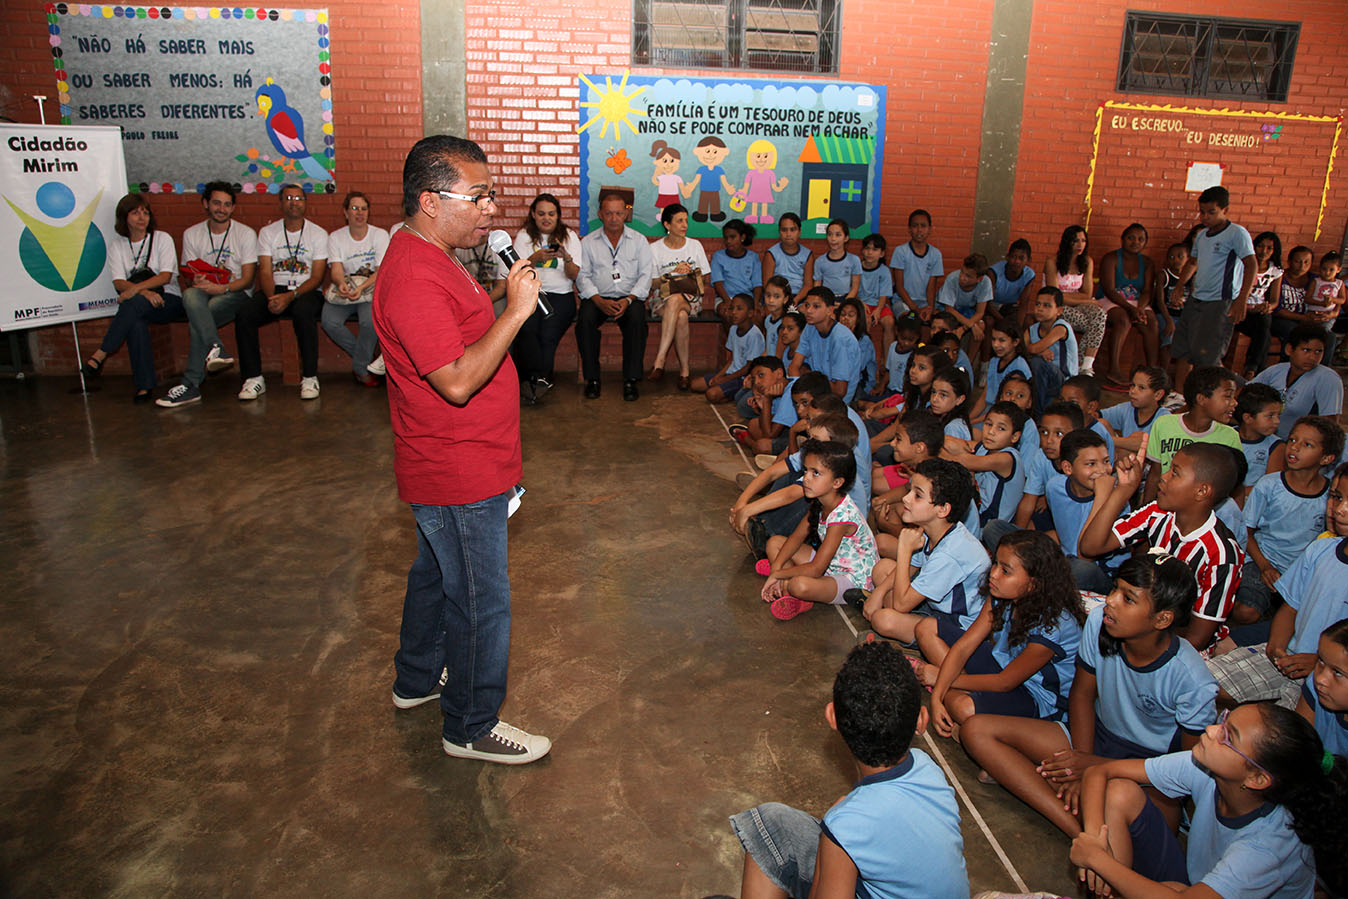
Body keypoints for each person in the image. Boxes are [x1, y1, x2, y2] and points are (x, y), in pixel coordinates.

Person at [372, 134, 549, 764]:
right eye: (477, 197)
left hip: (465, 459)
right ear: (429, 200)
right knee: (480, 600)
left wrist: (501, 295)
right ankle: (470, 725)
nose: (489, 210)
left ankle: (417, 679)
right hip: (457, 467)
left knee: (433, 578)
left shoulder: (436, 253)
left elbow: (459, 330)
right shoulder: (414, 276)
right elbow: (455, 380)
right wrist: (518, 313)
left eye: (491, 196)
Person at [962, 552, 1217, 838]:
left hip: (1147, 769)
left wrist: (1095, 769)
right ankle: (1074, 826)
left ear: (1162, 619)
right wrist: (1080, 760)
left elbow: (1187, 768)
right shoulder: (1099, 622)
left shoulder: (1191, 679)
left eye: (1128, 598)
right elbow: (1082, 695)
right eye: (1115, 589)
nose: (1111, 600)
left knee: (1147, 830)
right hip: (1094, 736)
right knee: (976, 731)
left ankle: (1044, 783)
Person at [727, 642, 969, 899]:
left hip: (846, 843)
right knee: (774, 820)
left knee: (769, 829)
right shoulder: (929, 768)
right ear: (921, 720)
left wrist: (830, 833)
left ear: (832, 717)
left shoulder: (846, 825)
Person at [1071, 703, 1342, 899]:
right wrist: (1096, 839)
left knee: (1174, 892)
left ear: (1258, 778)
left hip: (1200, 892)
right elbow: (1100, 771)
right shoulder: (1205, 766)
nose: (1212, 730)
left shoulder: (1267, 847)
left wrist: (1098, 859)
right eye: (1223, 720)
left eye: (1228, 736)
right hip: (1197, 883)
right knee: (1119, 792)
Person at [1080, 436, 1244, 652]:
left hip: (1179, 642)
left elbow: (1197, 638)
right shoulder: (1158, 512)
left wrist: (1138, 629)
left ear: (1202, 491)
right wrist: (1124, 489)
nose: (1163, 478)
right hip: (1140, 614)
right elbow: (1090, 547)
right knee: (1075, 602)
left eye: (1175, 473)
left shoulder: (1221, 555)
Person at [914, 529, 1084, 737]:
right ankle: (964, 697)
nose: (993, 573)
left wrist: (940, 678)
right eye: (995, 563)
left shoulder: (1054, 625)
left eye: (1006, 571)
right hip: (1002, 665)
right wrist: (937, 696)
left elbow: (1004, 682)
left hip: (1036, 696)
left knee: (964, 709)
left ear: (1033, 584)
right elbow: (964, 647)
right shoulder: (1000, 594)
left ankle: (968, 702)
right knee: (927, 627)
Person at [1234, 416, 1342, 636]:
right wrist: (1265, 566)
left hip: (1303, 568)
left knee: (1311, 620)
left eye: (1307, 444)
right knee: (1246, 612)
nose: (1295, 447)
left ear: (1326, 458)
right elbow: (1246, 531)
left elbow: (1330, 539)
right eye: (1292, 440)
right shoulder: (1269, 485)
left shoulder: (1331, 496)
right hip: (1262, 560)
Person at [156, 182, 258, 408]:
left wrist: (221, 288)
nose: (221, 209)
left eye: (227, 205)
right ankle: (215, 348)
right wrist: (197, 280)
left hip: (236, 293)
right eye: (216, 203)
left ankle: (191, 384)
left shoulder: (245, 234)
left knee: (200, 315)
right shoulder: (192, 234)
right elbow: (189, 274)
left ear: (232, 208)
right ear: (205, 204)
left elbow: (248, 279)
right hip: (204, 293)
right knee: (191, 296)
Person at [864, 458, 987, 644]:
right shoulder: (936, 528)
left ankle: (921, 640)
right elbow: (912, 567)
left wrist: (904, 548)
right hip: (934, 606)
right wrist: (877, 594)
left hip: (957, 626)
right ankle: (895, 613)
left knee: (884, 620)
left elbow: (901, 604)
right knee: (884, 568)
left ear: (943, 510)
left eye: (917, 495)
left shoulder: (950, 553)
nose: (905, 498)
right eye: (910, 490)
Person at [760, 439, 878, 621]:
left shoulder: (842, 517)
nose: (806, 477)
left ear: (837, 482)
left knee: (799, 586)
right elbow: (795, 538)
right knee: (775, 542)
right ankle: (785, 580)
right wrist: (777, 568)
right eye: (806, 470)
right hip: (831, 564)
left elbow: (816, 569)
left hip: (852, 579)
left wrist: (777, 573)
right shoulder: (820, 500)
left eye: (816, 473)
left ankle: (797, 595)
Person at [81, 193, 183, 403]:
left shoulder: (162, 238)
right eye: (135, 213)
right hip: (143, 301)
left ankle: (100, 354)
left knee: (133, 303)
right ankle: (144, 387)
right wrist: (144, 292)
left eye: (145, 212)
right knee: (135, 321)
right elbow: (119, 283)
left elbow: (165, 276)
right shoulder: (117, 245)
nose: (141, 217)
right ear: (124, 217)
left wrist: (135, 290)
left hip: (169, 300)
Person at [234, 184, 328, 401]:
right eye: (288, 198)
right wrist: (272, 297)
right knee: (245, 314)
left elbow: (316, 277)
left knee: (304, 313)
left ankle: (310, 377)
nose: (293, 202)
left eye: (298, 198)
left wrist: (290, 296)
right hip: (274, 289)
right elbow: (265, 271)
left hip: (306, 290)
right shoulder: (268, 233)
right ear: (281, 203)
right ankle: (253, 378)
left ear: (305, 203)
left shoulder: (318, 234)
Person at [1170, 186, 1257, 393]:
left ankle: (1233, 393)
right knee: (1183, 349)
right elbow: (1192, 263)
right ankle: (1180, 395)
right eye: (1202, 212)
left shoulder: (1237, 234)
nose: (1205, 217)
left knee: (1207, 358)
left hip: (1220, 302)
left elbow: (1251, 264)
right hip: (1196, 299)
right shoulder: (1201, 236)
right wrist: (1180, 286)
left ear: (1225, 210)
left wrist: (1241, 300)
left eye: (1212, 212)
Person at [575, 192, 653, 401]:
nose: (613, 218)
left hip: (630, 299)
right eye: (609, 213)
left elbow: (646, 275)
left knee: (638, 322)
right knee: (584, 322)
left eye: (618, 213)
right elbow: (583, 276)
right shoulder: (589, 242)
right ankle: (592, 380)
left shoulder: (639, 241)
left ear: (626, 214)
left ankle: (631, 380)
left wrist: (629, 300)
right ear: (600, 214)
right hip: (597, 298)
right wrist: (598, 300)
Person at [512, 192, 581, 402]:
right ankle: (532, 377)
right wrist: (533, 259)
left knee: (548, 332)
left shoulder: (569, 236)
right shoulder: (524, 236)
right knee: (527, 328)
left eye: (551, 214)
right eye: (541, 214)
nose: (546, 218)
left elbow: (574, 275)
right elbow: (515, 271)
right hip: (531, 293)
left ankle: (540, 378)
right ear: (533, 214)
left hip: (561, 295)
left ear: (558, 216)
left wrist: (566, 257)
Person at [320, 191, 390, 387]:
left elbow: (380, 272)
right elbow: (335, 270)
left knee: (370, 323)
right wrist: (341, 283)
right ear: (345, 212)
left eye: (364, 209)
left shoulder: (380, 235)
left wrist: (362, 288)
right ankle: (367, 358)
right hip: (346, 289)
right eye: (354, 208)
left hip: (370, 288)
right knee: (329, 322)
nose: (360, 213)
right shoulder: (336, 237)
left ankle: (361, 369)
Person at [1143, 365, 1240, 503]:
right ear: (1202, 399)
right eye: (1228, 396)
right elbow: (1155, 474)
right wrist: (1145, 510)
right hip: (1166, 503)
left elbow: (1235, 488)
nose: (1234, 402)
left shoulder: (1230, 437)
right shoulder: (1164, 425)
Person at [1046, 428, 1120, 593]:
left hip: (1102, 573)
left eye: (1106, 461)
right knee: (996, 529)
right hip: (1066, 560)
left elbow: (1086, 554)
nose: (1102, 470)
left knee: (1081, 569)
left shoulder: (1117, 499)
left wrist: (1103, 497)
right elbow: (1065, 533)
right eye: (1091, 464)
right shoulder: (1054, 487)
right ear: (1068, 468)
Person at [646, 202, 710, 390]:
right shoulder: (655, 249)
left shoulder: (695, 245)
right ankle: (685, 371)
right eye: (679, 221)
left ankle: (660, 360)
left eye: (686, 221)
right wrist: (673, 273)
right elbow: (652, 284)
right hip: (661, 299)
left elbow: (704, 280)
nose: (684, 225)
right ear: (667, 224)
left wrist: (689, 272)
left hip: (691, 299)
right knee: (680, 316)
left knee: (677, 302)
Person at [1251, 323, 1344, 439]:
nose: (1312, 357)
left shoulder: (1328, 378)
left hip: (1301, 444)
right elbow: (1245, 393)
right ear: (1289, 349)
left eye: (1318, 351)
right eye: (1306, 350)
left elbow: (1330, 425)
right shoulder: (1276, 370)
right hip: (1268, 438)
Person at [945, 400, 1026, 529]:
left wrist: (933, 448)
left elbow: (965, 462)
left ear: (1014, 436)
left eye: (1001, 428)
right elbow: (951, 443)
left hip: (990, 525)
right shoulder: (983, 447)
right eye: (988, 424)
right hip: (977, 513)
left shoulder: (1008, 458)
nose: (991, 432)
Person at [1097, 222, 1159, 387]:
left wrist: (1139, 309)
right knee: (1123, 320)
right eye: (1131, 238)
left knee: (1151, 321)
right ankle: (1114, 369)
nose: (1135, 242)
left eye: (1140, 239)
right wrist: (1130, 309)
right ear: (1122, 239)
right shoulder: (1111, 259)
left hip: (1137, 302)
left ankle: (1153, 371)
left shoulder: (1147, 263)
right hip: (1112, 300)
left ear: (1145, 242)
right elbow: (1109, 290)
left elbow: (1147, 291)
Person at [1044, 226, 1104, 376]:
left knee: (1100, 314)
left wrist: (1073, 297)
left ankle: (1086, 365)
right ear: (1067, 242)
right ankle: (1077, 363)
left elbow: (1087, 293)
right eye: (1076, 241)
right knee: (1089, 323)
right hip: (1055, 306)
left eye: (1083, 241)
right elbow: (1054, 295)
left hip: (1077, 304)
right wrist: (1085, 299)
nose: (1080, 245)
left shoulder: (1087, 262)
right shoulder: (1053, 262)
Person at [1227, 230, 1283, 380]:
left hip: (1259, 314)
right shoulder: (1244, 265)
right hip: (1240, 312)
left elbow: (1274, 300)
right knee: (1266, 335)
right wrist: (1249, 308)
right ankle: (1256, 371)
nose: (1264, 251)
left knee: (1264, 324)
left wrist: (1267, 307)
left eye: (1269, 248)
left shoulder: (1275, 271)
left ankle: (1252, 369)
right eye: (1260, 246)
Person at [694, 293, 762, 403]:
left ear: (750, 313)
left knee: (711, 395)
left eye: (739, 309)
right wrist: (718, 376)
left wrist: (724, 380)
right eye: (731, 308)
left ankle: (734, 395)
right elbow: (731, 359)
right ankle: (728, 392)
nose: (734, 312)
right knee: (695, 385)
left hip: (742, 378)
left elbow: (748, 368)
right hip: (730, 374)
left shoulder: (754, 335)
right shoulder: (733, 329)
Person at [1295, 618, 1348, 757]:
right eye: (1321, 661)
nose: (1320, 678)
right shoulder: (1316, 688)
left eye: (1338, 673)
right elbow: (1298, 747)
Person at [1023, 286, 1078, 412]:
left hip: (1064, 380)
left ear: (1059, 311)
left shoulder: (1061, 328)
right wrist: (1038, 351)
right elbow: (1021, 350)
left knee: (1037, 362)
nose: (1040, 309)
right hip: (1044, 379)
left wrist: (1037, 350)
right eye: (1038, 304)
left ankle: (1038, 412)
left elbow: (1033, 348)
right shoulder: (1032, 329)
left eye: (1047, 305)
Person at [1099, 365, 1170, 457]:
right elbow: (1097, 416)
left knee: (1137, 438)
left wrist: (1107, 440)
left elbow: (1144, 444)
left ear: (1158, 394)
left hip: (1146, 465)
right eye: (1133, 385)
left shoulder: (1164, 418)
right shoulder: (1127, 408)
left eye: (1141, 388)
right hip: (1122, 458)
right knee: (1101, 423)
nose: (1133, 391)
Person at [1233, 382, 1285, 503]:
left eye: (1278, 415)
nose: (1277, 421)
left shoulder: (1276, 446)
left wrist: (1234, 495)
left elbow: (1270, 485)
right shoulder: (1227, 435)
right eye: (1270, 416)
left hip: (1254, 500)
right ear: (1248, 418)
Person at [889, 209, 943, 321]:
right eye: (915, 226)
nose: (919, 230)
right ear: (909, 229)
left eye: (923, 226)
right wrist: (916, 310)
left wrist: (930, 309)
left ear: (929, 229)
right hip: (903, 302)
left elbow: (931, 288)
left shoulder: (935, 254)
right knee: (909, 321)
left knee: (940, 322)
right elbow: (899, 287)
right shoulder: (900, 251)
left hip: (924, 303)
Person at [761, 212, 810, 306]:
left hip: (799, 298)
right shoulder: (771, 254)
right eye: (784, 230)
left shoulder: (807, 254)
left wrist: (795, 300)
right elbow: (767, 284)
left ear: (799, 232)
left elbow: (808, 285)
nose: (788, 234)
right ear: (779, 232)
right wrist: (779, 298)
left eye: (792, 230)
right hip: (776, 297)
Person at [807, 218, 861, 300]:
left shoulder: (854, 260)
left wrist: (844, 303)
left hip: (846, 298)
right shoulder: (820, 261)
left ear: (846, 238)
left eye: (838, 235)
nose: (833, 239)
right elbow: (817, 286)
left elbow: (855, 287)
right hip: (826, 299)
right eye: (830, 234)